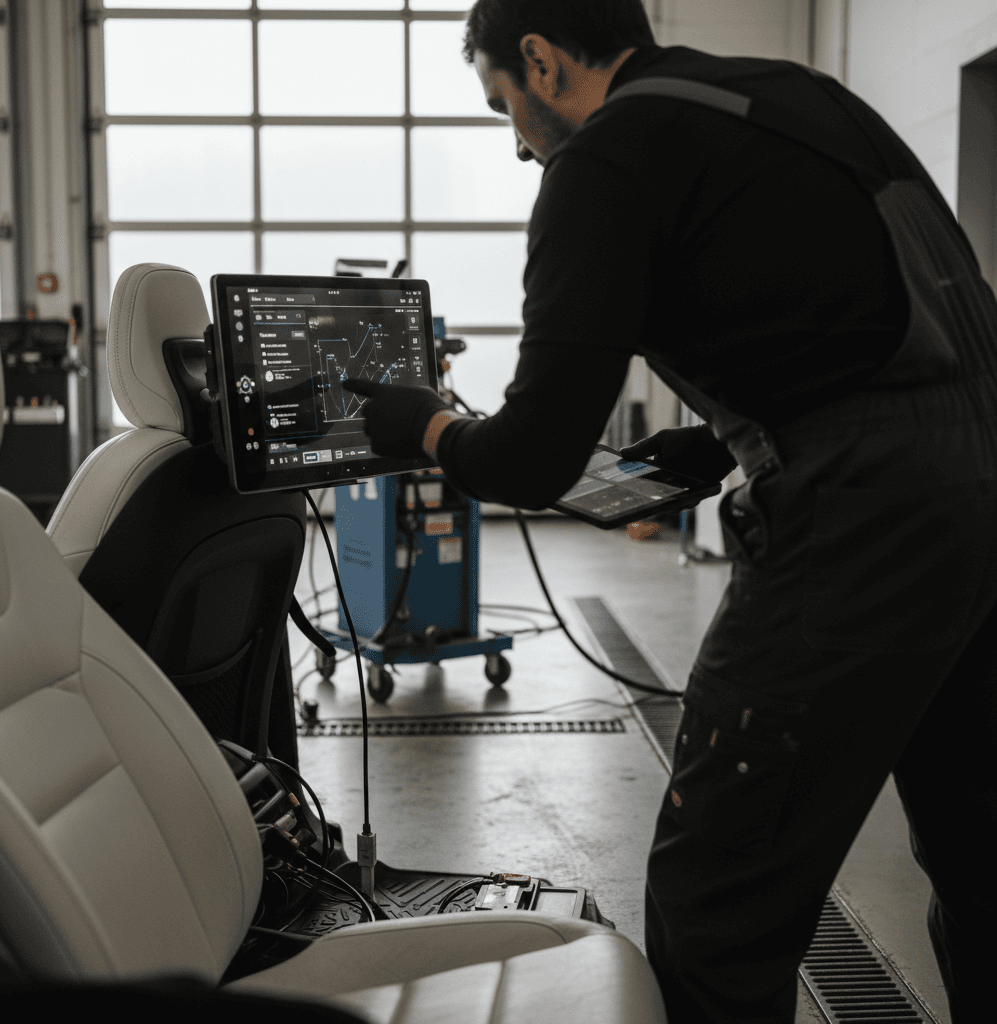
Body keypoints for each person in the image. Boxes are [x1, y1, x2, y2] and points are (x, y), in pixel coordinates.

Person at [342, 2, 997, 1020]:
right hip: (979, 482)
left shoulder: (606, 160)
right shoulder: (791, 99)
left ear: (541, 60)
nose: (516, 145)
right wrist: (719, 441)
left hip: (863, 518)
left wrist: (422, 425)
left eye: (501, 106)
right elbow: (849, 314)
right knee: (977, 845)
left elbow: (530, 454)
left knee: (719, 894)